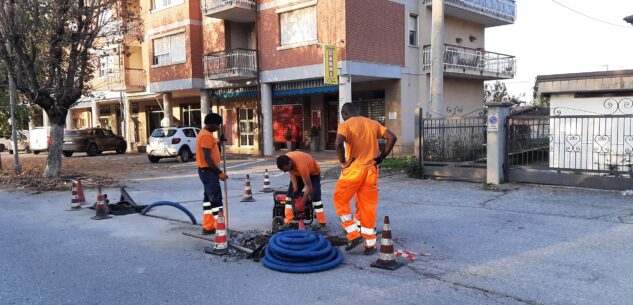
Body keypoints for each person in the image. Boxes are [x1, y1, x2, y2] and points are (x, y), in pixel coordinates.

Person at [333, 103, 397, 255]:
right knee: (367, 207)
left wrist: (343, 162)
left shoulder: (345, 125)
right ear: (358, 111)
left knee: (340, 200)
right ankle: (370, 244)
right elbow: (392, 137)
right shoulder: (373, 123)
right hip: (371, 171)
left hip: (354, 170)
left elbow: (338, 143)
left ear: (344, 113)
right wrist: (381, 157)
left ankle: (353, 234)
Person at [276, 151, 326, 231]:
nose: (285, 171)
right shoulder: (286, 160)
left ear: (290, 163)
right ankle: (288, 221)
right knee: (290, 195)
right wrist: (295, 189)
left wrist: (301, 204)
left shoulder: (301, 166)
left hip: (313, 173)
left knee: (315, 197)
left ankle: (322, 223)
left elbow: (309, 188)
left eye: (286, 169)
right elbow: (291, 173)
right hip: (297, 173)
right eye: (284, 170)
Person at [196, 113, 228, 235]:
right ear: (211, 123)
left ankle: (208, 226)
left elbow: (211, 148)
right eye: (217, 125)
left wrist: (219, 142)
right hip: (209, 171)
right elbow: (208, 158)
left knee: (208, 200)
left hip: (206, 171)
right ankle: (220, 228)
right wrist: (219, 172)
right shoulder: (206, 136)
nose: (218, 127)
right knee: (215, 200)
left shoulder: (206, 134)